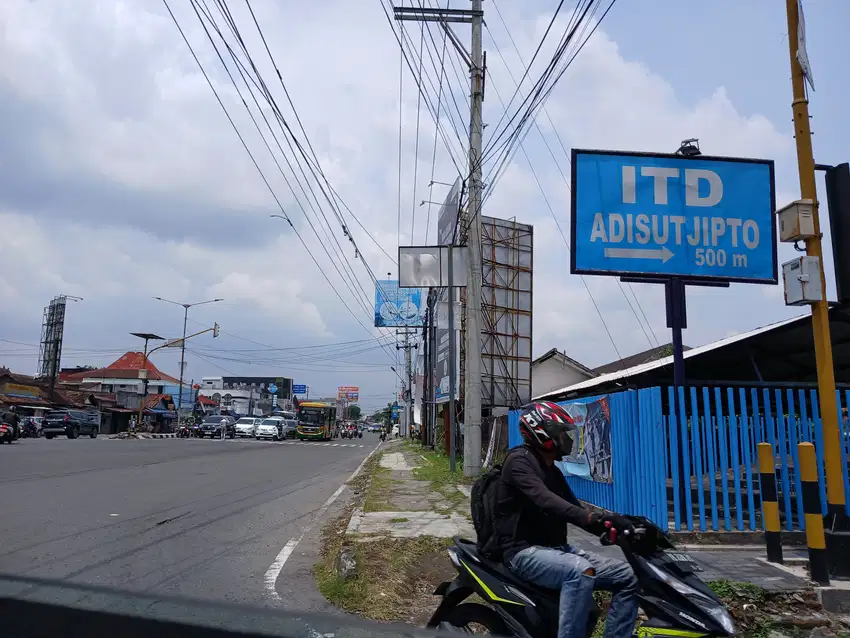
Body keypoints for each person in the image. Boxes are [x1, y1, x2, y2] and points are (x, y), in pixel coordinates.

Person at [494, 401, 638, 638]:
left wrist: (611, 525)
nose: (568, 440)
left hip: (556, 549)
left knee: (628, 575)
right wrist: (590, 516)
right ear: (543, 432)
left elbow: (575, 510)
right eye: (562, 433)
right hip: (522, 552)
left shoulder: (553, 470)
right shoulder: (519, 462)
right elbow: (546, 500)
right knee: (580, 571)